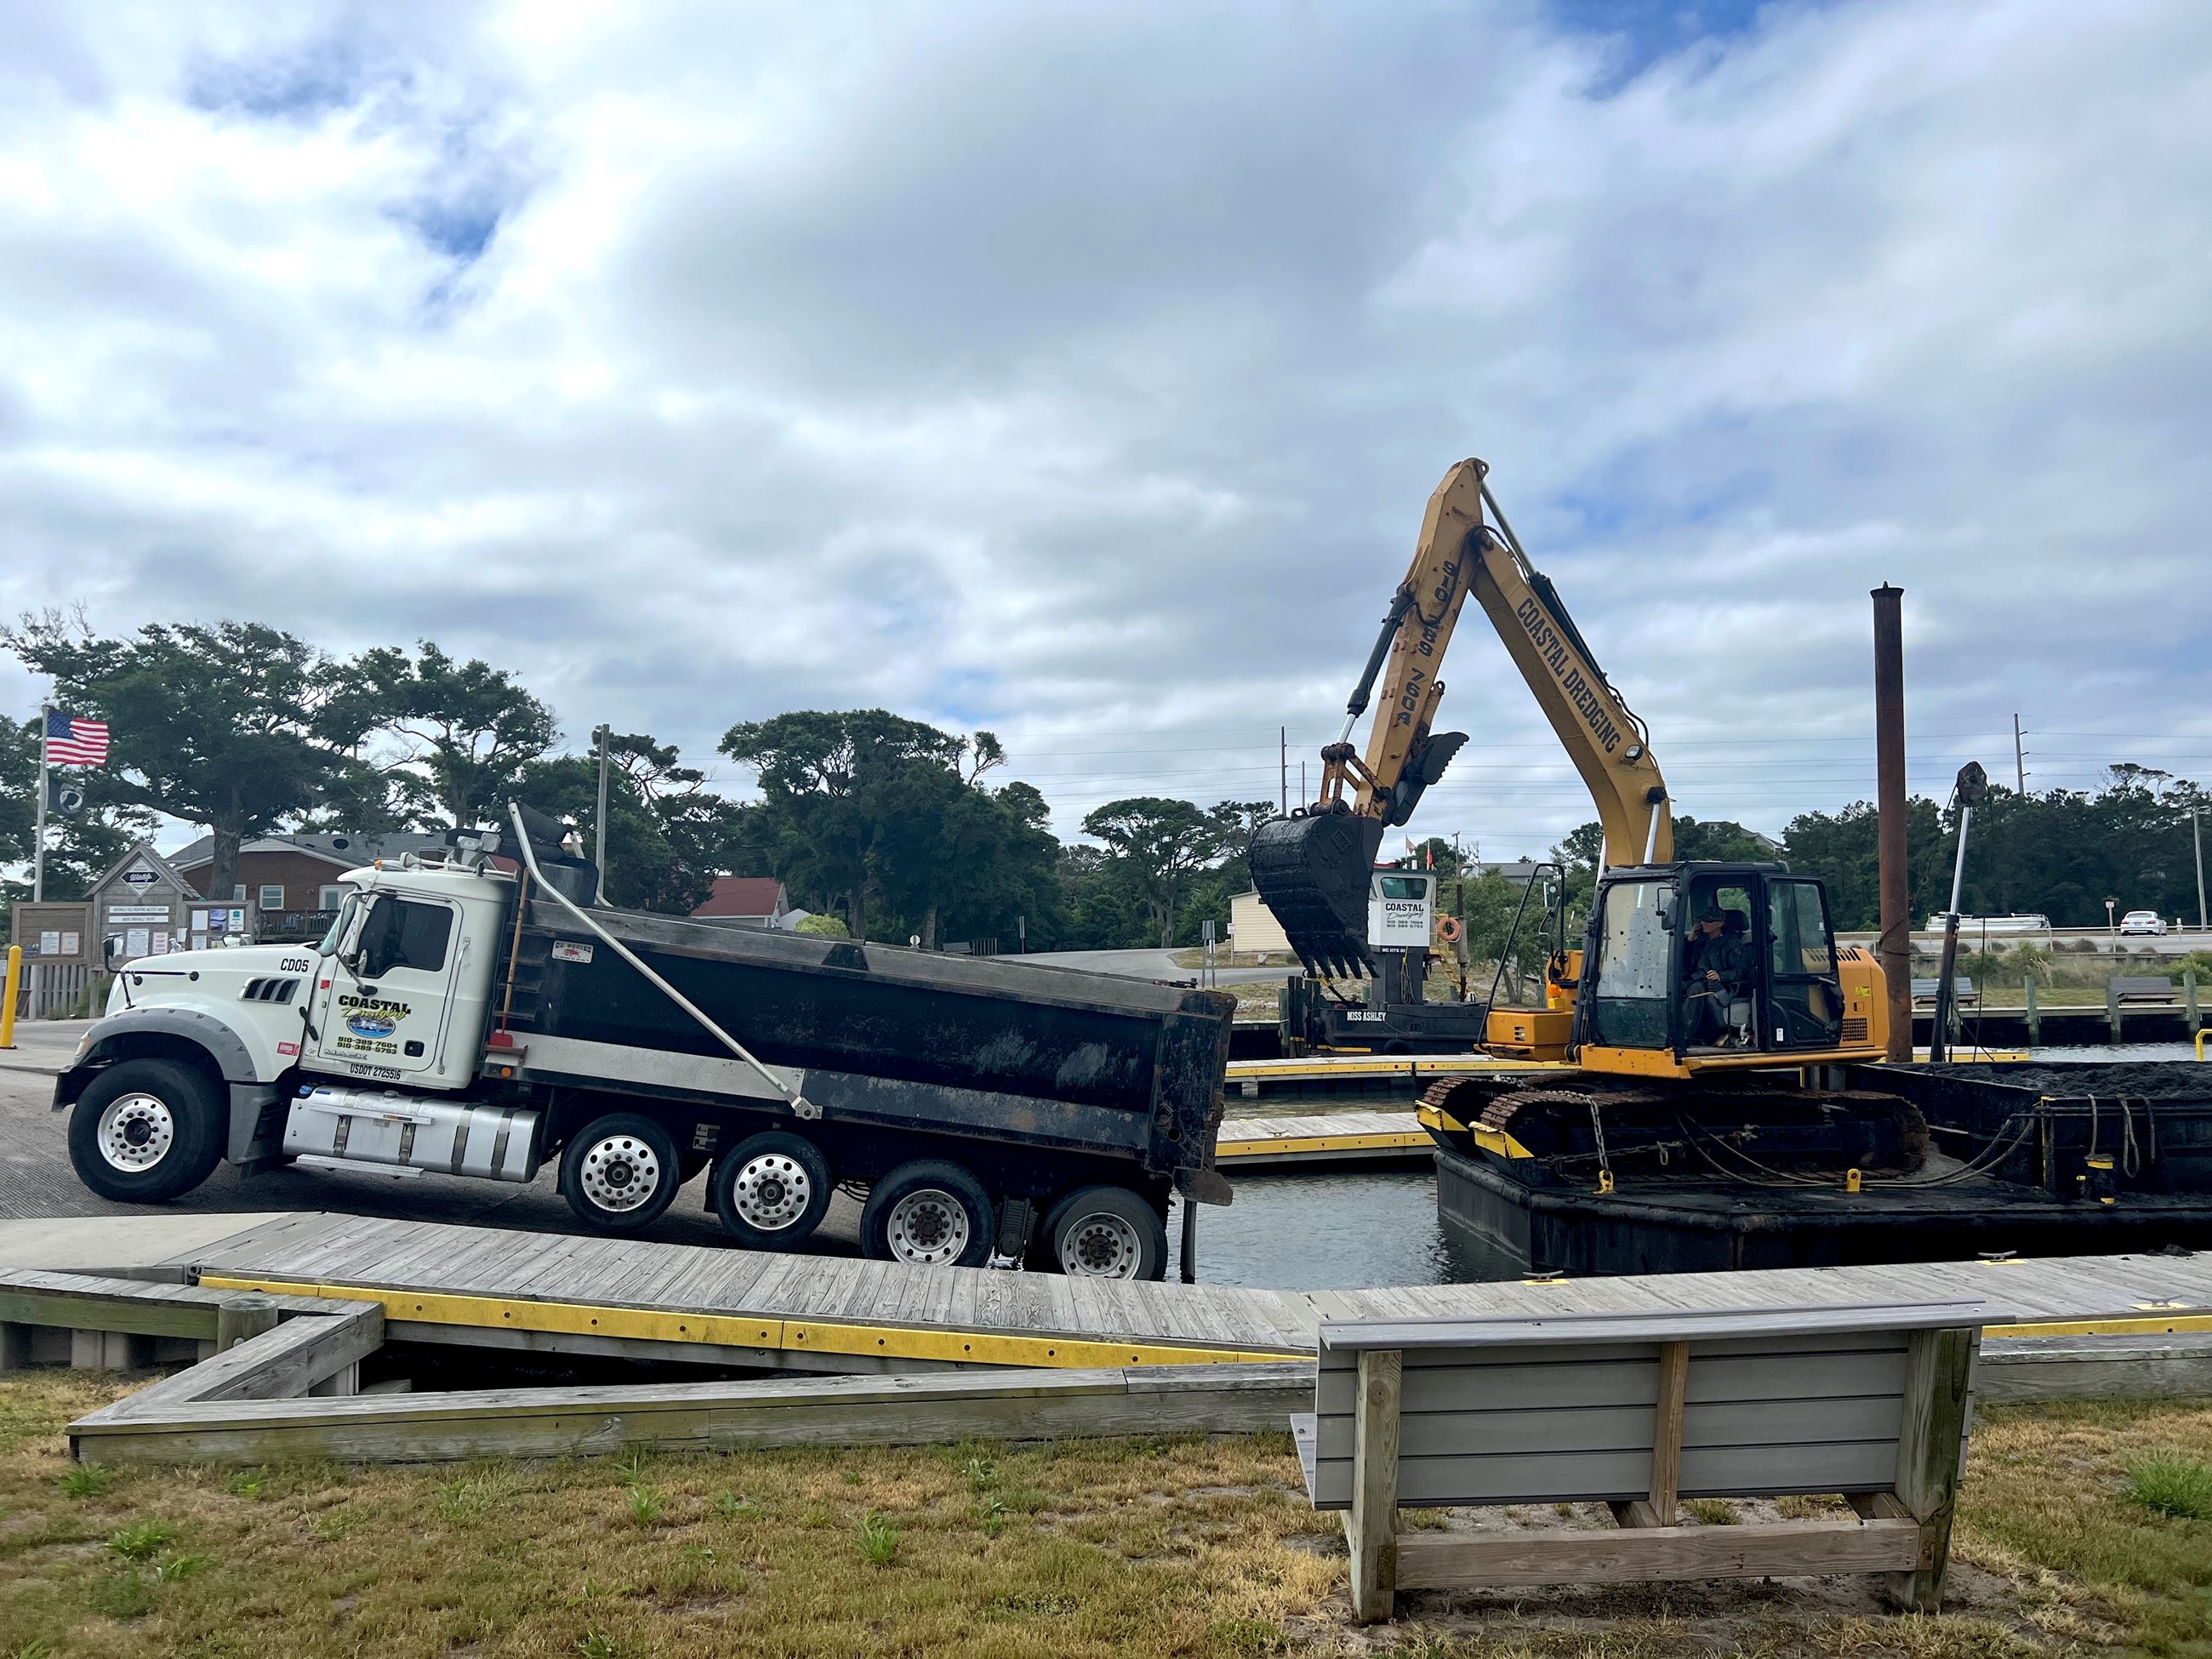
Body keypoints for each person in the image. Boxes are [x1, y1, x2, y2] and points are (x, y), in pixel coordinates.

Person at [1679, 905, 1753, 1046]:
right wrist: (1689, 942)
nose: (1704, 924)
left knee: (1696, 990)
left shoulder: (1732, 944)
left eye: (1709, 921)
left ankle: (1684, 1034)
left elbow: (1741, 971)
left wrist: (1720, 975)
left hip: (1719, 985)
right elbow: (1684, 963)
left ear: (1721, 923)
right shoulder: (1700, 941)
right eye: (1703, 921)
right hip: (1696, 979)